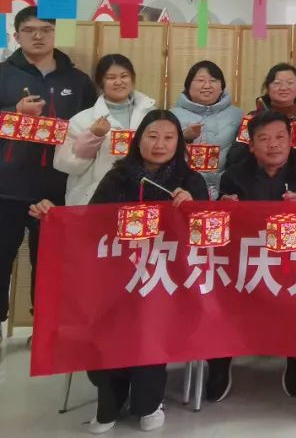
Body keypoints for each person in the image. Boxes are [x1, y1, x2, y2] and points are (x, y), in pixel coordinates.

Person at [32, 110, 209, 433]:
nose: (159, 144)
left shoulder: (190, 181)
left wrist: (192, 206)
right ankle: (110, 400)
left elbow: (204, 235)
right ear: (138, 140)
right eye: (152, 136)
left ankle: (149, 401)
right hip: (117, 278)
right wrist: (54, 216)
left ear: (179, 144)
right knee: (108, 322)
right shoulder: (117, 177)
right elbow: (90, 225)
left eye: (168, 137)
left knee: (152, 319)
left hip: (167, 281)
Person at [208, 110, 296, 404]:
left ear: (291, 141)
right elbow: (224, 229)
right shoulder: (235, 175)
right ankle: (219, 362)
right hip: (248, 262)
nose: (273, 145)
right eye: (264, 139)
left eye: (280, 137)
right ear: (251, 146)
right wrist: (226, 205)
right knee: (219, 293)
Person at [0, 5, 96, 328]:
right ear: (17, 36)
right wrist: (14, 113)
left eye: (46, 30)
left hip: (58, 188)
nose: (38, 36)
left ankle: (44, 331)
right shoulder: (3, 74)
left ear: (56, 34)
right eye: (29, 30)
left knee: (51, 266)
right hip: (6, 187)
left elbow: (90, 128)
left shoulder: (78, 81)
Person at [53, 54, 156, 206]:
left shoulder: (151, 116)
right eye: (111, 77)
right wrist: (93, 136)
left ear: (132, 78)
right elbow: (65, 165)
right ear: (100, 82)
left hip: (140, 196)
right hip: (94, 199)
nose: (118, 82)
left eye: (124, 76)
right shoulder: (81, 120)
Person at [225, 63, 296, 171]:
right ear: (268, 88)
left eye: (290, 83)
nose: (283, 88)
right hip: (260, 176)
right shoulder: (254, 118)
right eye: (277, 83)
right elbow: (235, 157)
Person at [169, 60, 243, 199]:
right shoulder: (173, 116)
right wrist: (185, 138)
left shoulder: (237, 115)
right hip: (187, 192)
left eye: (213, 80)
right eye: (200, 80)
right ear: (188, 86)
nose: (207, 85)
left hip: (228, 191)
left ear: (221, 87)